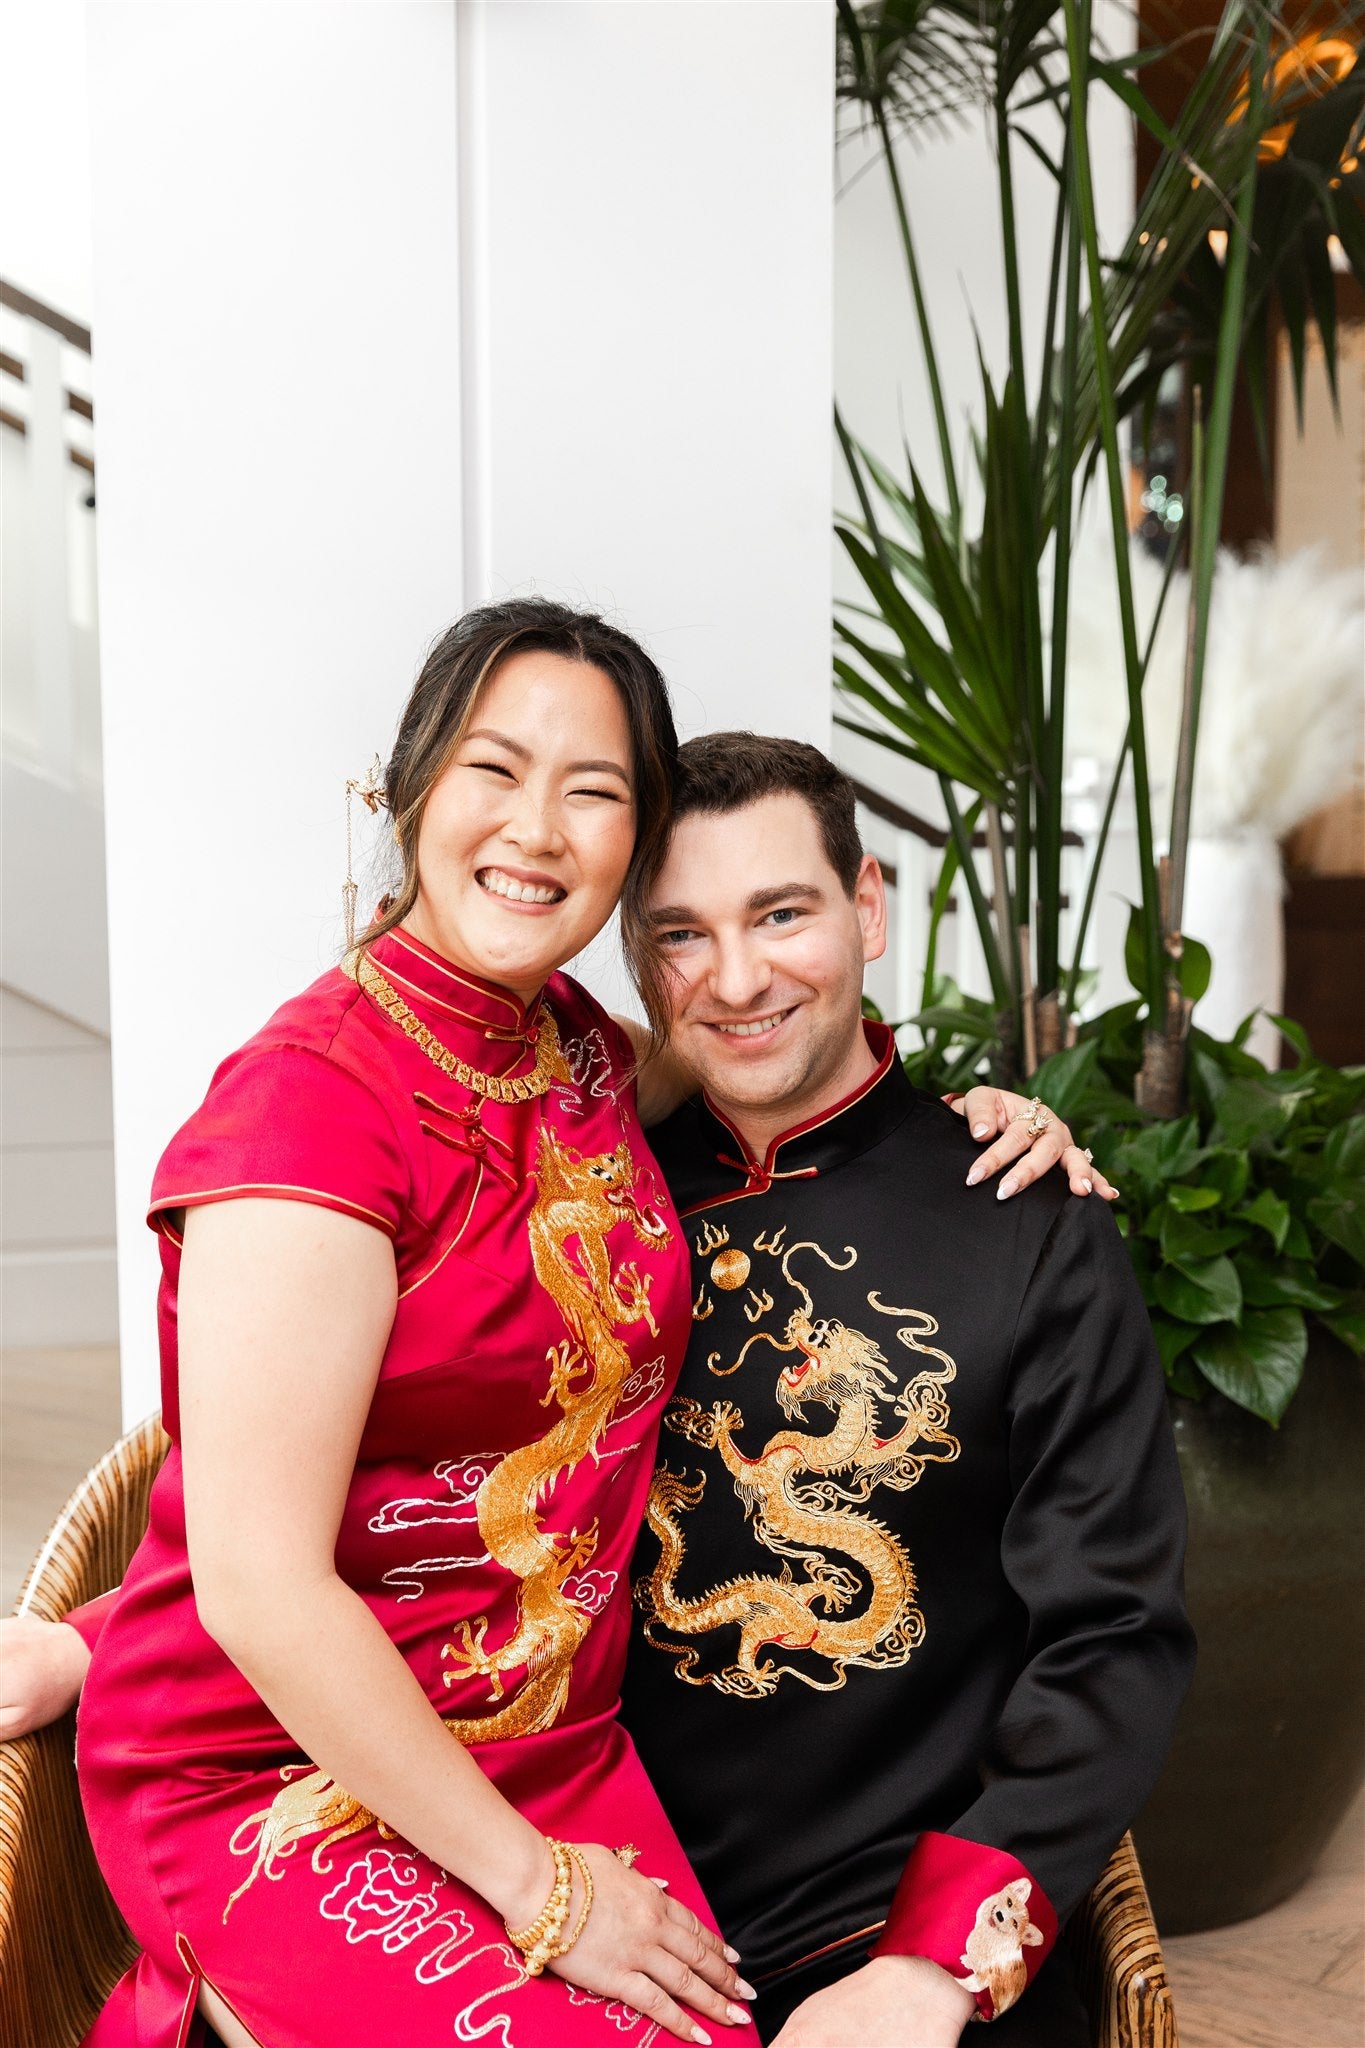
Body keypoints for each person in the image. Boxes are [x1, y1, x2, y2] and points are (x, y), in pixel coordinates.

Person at [1, 602, 1101, 2048]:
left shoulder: (577, 1052)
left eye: (594, 793)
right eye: (492, 771)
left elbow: (775, 1070)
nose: (538, 829)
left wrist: (964, 1114)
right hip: (283, 1762)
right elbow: (262, 1582)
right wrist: (544, 1895)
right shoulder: (307, 1114)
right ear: (404, 794)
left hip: (547, 1743)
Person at [617, 735, 1195, 2047]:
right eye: (682, 935)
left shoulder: (1024, 1222)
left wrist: (931, 1970)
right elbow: (398, 1474)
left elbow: (1111, 1637)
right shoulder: (579, 1200)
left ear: (865, 906)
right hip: (591, 1911)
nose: (740, 977)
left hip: (880, 1937)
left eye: (780, 913)